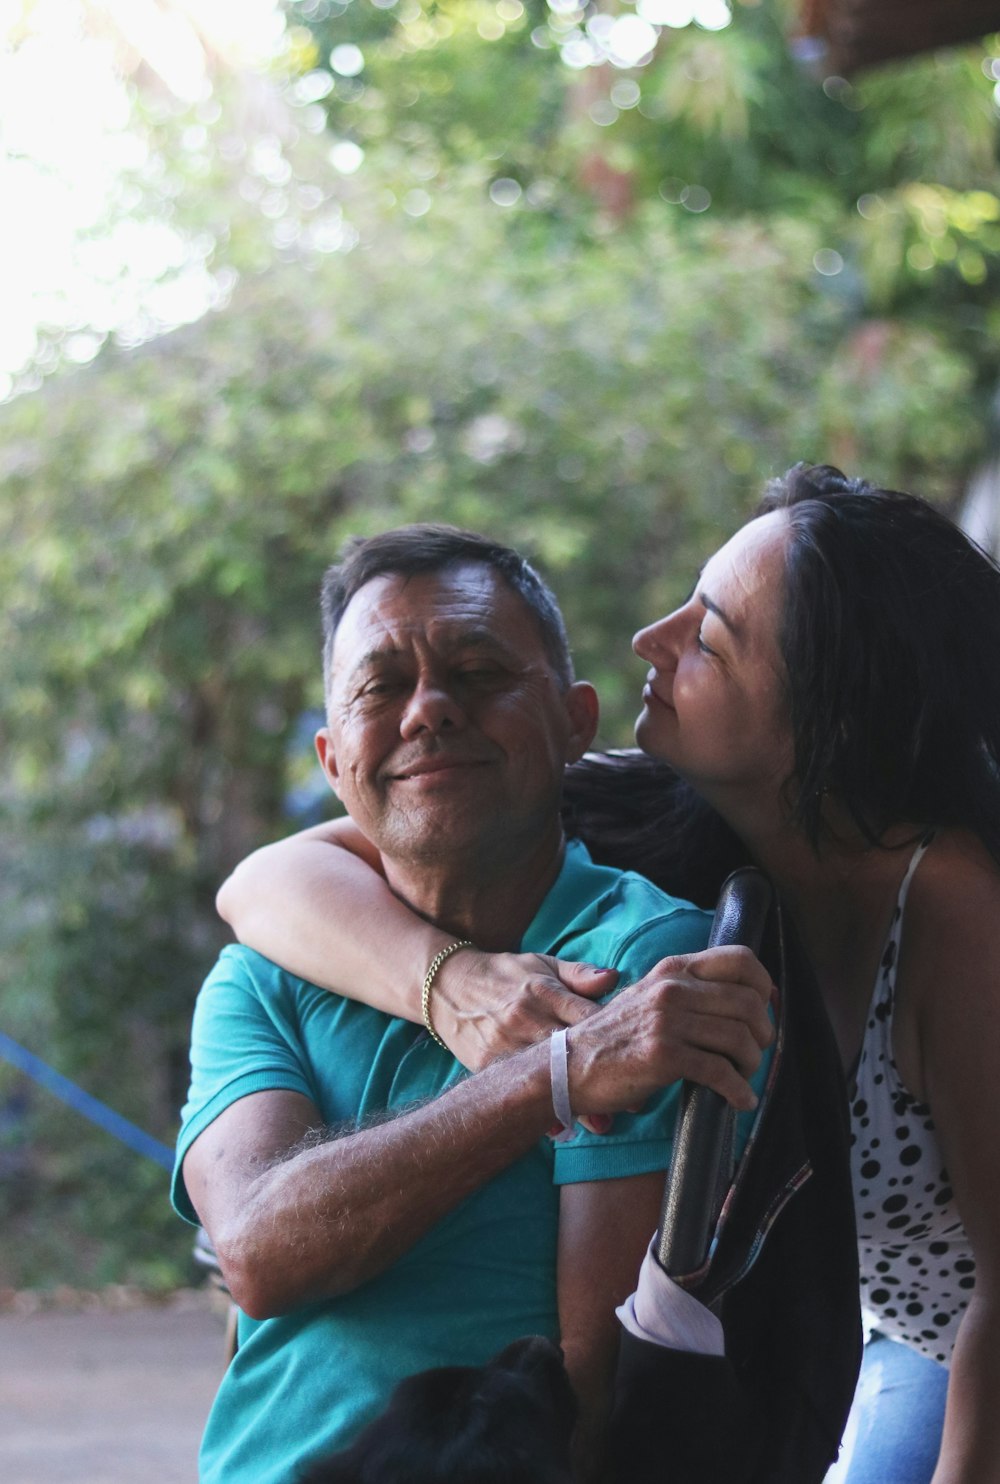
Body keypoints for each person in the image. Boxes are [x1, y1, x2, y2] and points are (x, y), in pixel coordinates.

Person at [220, 465, 1000, 1484]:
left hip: (954, 1345)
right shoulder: (652, 813)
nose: (651, 638)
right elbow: (266, 880)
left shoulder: (947, 902)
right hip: (884, 1334)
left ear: (821, 709)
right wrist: (448, 982)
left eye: (708, 635)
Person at [175, 525, 776, 1484]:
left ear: (577, 721)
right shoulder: (261, 977)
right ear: (334, 761)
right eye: (382, 686)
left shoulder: (646, 963)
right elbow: (257, 1248)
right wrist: (554, 1078)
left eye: (479, 670)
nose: (430, 713)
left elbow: (595, 1401)